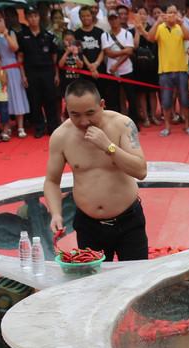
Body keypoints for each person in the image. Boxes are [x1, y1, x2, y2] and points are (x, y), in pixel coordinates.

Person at [45, 80, 148, 261]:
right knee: (95, 282)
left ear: (101, 105)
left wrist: (108, 146)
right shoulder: (61, 136)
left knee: (136, 279)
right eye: (75, 115)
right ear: (66, 109)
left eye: (90, 113)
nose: (84, 121)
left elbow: (140, 170)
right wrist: (55, 213)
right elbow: (52, 181)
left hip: (128, 220)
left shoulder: (122, 124)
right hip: (89, 225)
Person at [136, 4, 189, 137]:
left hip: (181, 69)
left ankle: (188, 126)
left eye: (174, 12)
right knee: (166, 101)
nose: (172, 15)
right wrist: (157, 22)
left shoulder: (180, 26)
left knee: (185, 100)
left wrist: (181, 23)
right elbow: (150, 38)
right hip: (165, 71)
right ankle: (167, 127)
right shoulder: (160, 27)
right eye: (169, 12)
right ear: (165, 14)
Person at [0, 9, 29, 138]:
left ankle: (20, 126)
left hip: (12, 67)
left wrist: (5, 34)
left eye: (0, 18)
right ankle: (7, 126)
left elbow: (15, 48)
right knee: (3, 97)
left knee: (17, 95)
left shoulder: (10, 32)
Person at [19, 6, 60, 138]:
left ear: (39, 17)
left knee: (50, 99)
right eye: (30, 16)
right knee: (34, 101)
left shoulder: (48, 35)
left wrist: (56, 74)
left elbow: (54, 57)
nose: (33, 19)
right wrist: (23, 75)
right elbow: (20, 57)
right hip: (31, 72)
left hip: (47, 71)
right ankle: (39, 127)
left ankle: (52, 126)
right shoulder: (22, 36)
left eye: (35, 16)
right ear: (26, 18)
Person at [101, 10, 138, 118]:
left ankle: (134, 120)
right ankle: (114, 120)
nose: (114, 21)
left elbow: (130, 52)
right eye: (111, 19)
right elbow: (108, 53)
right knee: (113, 98)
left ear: (119, 19)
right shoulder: (105, 35)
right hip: (111, 71)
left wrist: (116, 64)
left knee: (131, 97)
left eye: (115, 18)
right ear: (108, 20)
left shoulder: (127, 34)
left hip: (126, 69)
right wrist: (124, 51)